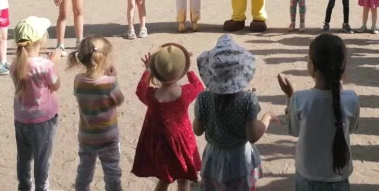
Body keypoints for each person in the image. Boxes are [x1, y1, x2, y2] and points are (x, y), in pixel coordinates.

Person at [193, 35, 278, 190]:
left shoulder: (203, 98)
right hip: (240, 160)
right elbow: (253, 136)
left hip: (213, 158)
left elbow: (197, 130)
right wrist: (267, 117)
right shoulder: (248, 100)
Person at [277, 34, 360, 190]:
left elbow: (294, 130)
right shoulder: (352, 99)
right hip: (339, 176)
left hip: (308, 176)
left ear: (312, 65)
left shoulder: (300, 98)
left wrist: (289, 96)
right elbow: (351, 128)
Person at [132, 43, 204, 191]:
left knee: (164, 180)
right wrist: (189, 69)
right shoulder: (185, 94)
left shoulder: (151, 96)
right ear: (181, 71)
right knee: (184, 181)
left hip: (160, 146)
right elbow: (199, 86)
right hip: (183, 143)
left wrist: (147, 70)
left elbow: (140, 88)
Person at [68, 35, 125, 191]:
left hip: (86, 135)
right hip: (108, 136)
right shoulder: (110, 83)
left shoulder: (78, 80)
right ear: (104, 59)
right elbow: (119, 100)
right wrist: (113, 78)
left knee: (84, 170)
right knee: (112, 171)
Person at [10, 16, 60, 191]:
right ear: (41, 40)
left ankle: (24, 186)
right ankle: (42, 187)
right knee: (42, 159)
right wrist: (54, 64)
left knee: (23, 158)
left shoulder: (15, 63)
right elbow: (56, 85)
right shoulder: (45, 65)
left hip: (21, 119)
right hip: (42, 120)